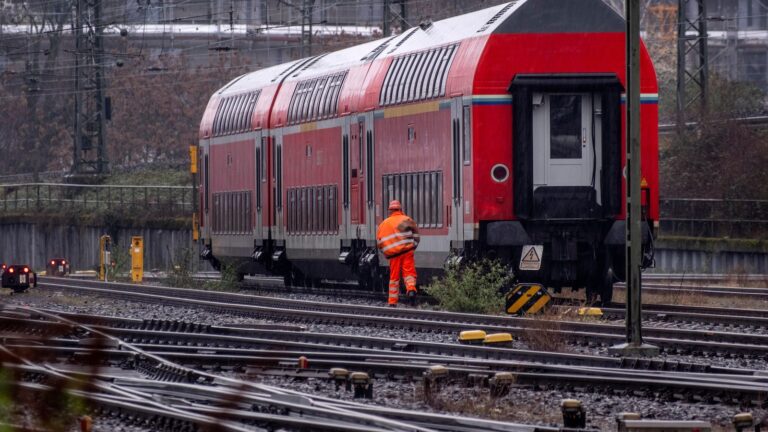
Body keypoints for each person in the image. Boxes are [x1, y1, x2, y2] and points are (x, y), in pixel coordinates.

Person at [376, 200, 420, 307]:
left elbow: (379, 243)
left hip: (393, 255)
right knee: (409, 274)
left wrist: (386, 252)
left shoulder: (384, 224)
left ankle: (392, 302)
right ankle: (411, 290)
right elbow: (417, 237)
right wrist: (412, 247)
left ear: (390, 210)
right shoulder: (406, 220)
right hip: (407, 252)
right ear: (400, 209)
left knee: (394, 278)